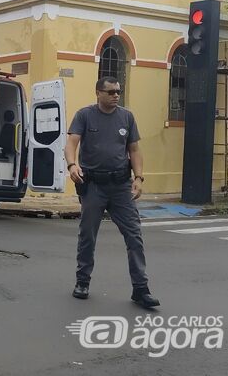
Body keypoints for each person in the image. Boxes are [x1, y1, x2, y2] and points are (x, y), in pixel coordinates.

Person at [65, 76, 159, 309]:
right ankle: (82, 282)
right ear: (98, 93)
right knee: (88, 235)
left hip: (120, 186)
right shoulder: (84, 115)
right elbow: (72, 143)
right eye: (110, 92)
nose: (116, 95)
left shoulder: (126, 116)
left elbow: (134, 149)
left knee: (134, 235)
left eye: (118, 91)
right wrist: (72, 164)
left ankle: (140, 289)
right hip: (94, 186)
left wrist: (138, 177)